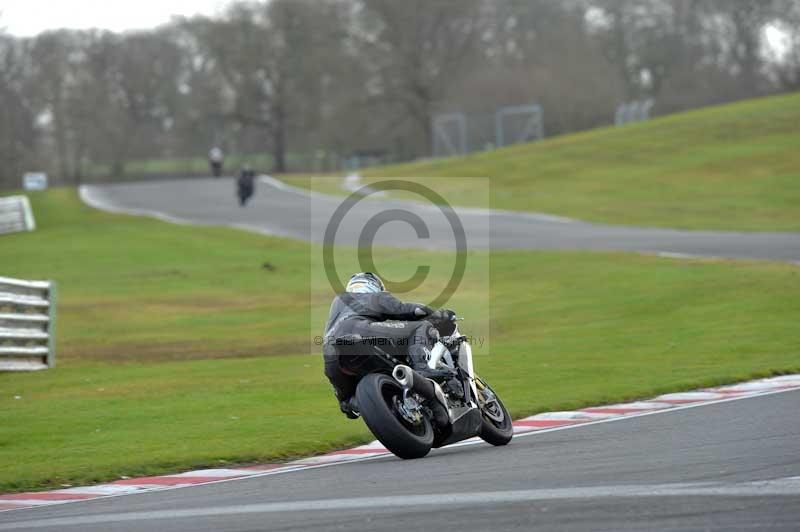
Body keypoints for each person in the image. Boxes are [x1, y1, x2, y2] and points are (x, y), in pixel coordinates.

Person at [322, 272, 454, 419]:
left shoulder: (337, 305)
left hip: (331, 353)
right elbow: (408, 310)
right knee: (422, 326)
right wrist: (439, 314)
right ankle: (422, 367)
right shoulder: (375, 297)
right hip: (361, 332)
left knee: (348, 402)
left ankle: (351, 402)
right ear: (373, 286)